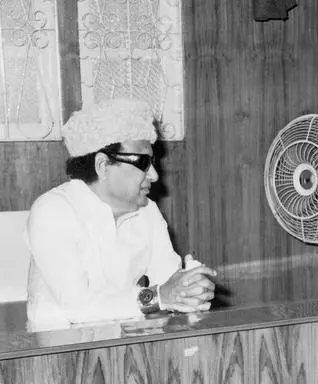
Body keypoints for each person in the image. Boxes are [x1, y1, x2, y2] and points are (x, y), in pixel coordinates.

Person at [26, 98, 216, 331]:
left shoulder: (147, 210)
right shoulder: (52, 211)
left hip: (125, 352)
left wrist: (191, 291)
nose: (154, 175)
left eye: (152, 162)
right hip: (54, 354)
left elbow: (169, 285)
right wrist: (158, 297)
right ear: (103, 165)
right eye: (143, 163)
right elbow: (76, 308)